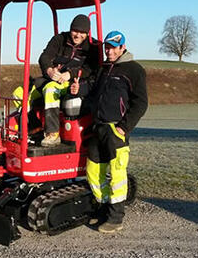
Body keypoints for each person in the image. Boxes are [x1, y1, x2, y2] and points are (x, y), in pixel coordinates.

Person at [70, 30, 148, 233]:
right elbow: (93, 88)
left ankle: (115, 218)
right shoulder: (105, 68)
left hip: (116, 129)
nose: (109, 51)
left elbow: (141, 103)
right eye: (107, 47)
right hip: (97, 128)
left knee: (117, 174)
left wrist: (124, 127)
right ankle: (103, 209)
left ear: (123, 47)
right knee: (94, 172)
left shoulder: (134, 70)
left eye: (113, 47)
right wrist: (80, 89)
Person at [37, 14, 99, 146]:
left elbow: (91, 69)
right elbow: (44, 57)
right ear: (70, 29)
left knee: (50, 90)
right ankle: (29, 129)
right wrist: (49, 70)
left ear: (87, 33)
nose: (78, 35)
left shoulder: (93, 47)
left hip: (73, 83)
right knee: (20, 93)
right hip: (53, 78)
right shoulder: (59, 39)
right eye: (75, 31)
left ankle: (52, 133)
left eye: (82, 32)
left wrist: (70, 74)